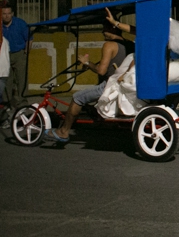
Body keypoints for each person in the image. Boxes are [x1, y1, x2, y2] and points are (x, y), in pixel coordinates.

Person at [43, 13, 135, 143]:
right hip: (123, 84)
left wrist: (86, 62)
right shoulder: (130, 44)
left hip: (109, 85)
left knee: (77, 97)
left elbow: (101, 71)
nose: (102, 32)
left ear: (110, 29)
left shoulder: (109, 45)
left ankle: (63, 132)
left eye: (104, 28)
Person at [1, 3, 30, 114]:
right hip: (5, 55)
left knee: (21, 79)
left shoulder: (21, 24)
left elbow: (29, 38)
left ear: (12, 14)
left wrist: (26, 52)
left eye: (9, 13)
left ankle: (23, 103)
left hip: (19, 54)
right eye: (4, 14)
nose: (7, 16)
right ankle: (6, 103)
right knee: (6, 81)